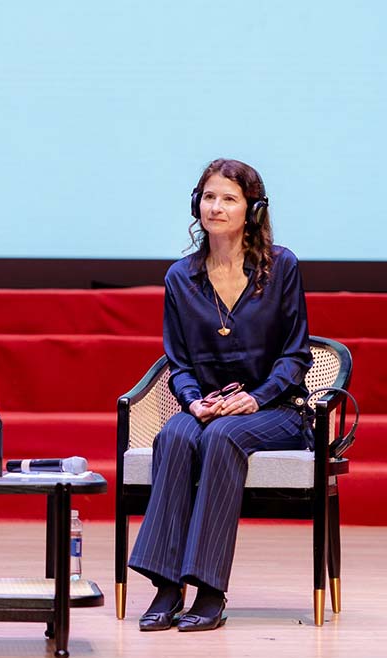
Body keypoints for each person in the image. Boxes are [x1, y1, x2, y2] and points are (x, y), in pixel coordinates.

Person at [128, 159, 312, 632]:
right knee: (175, 434)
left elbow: (295, 357)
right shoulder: (180, 278)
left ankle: (210, 590)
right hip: (209, 404)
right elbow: (179, 363)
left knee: (223, 436)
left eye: (229, 198)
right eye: (209, 197)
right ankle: (167, 588)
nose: (216, 206)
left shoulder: (281, 267)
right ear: (197, 204)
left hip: (276, 409)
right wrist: (192, 402)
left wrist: (256, 398)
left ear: (252, 209)